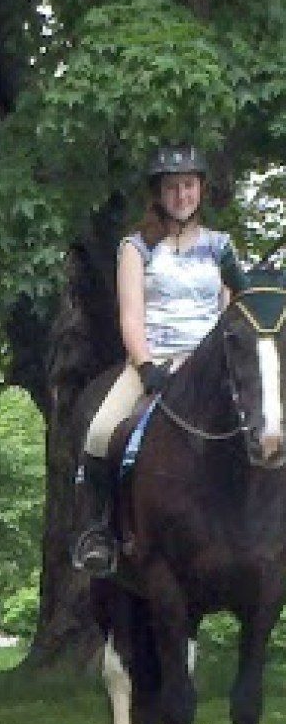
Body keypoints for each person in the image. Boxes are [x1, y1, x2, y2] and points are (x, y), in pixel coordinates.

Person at [72, 145, 238, 575]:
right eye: (172, 187)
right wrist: (146, 366)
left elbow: (231, 312)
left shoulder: (221, 247)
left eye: (189, 185)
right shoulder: (137, 247)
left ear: (201, 189)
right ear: (159, 194)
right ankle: (99, 532)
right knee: (100, 431)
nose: (182, 195)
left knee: (266, 420)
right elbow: (131, 315)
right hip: (154, 358)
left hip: (209, 364)